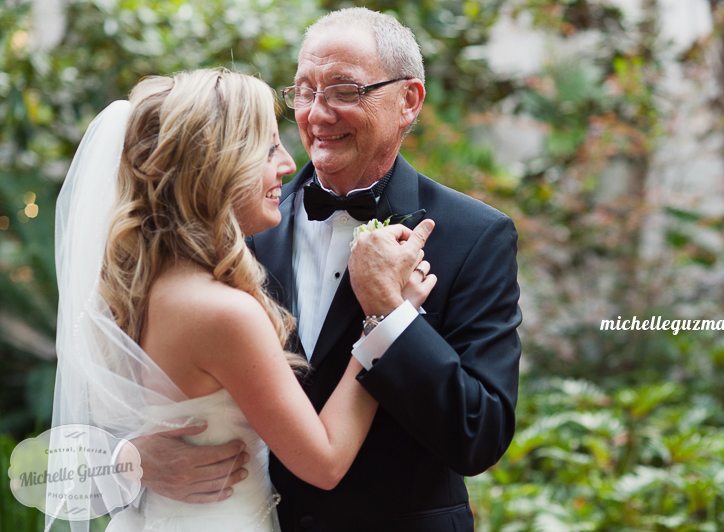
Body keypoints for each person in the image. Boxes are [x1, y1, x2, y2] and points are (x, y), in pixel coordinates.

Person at [140, 8, 523, 532]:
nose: (317, 114)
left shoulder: (474, 235)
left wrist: (390, 314)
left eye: (344, 90)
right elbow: (132, 382)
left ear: (408, 101)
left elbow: (479, 436)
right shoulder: (237, 225)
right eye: (304, 91)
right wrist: (133, 459)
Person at [50, 68, 436, 531]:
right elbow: (325, 461)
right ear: (216, 165)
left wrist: (126, 459)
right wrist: (385, 319)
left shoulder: (130, 285)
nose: (288, 164)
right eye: (268, 148)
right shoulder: (223, 311)